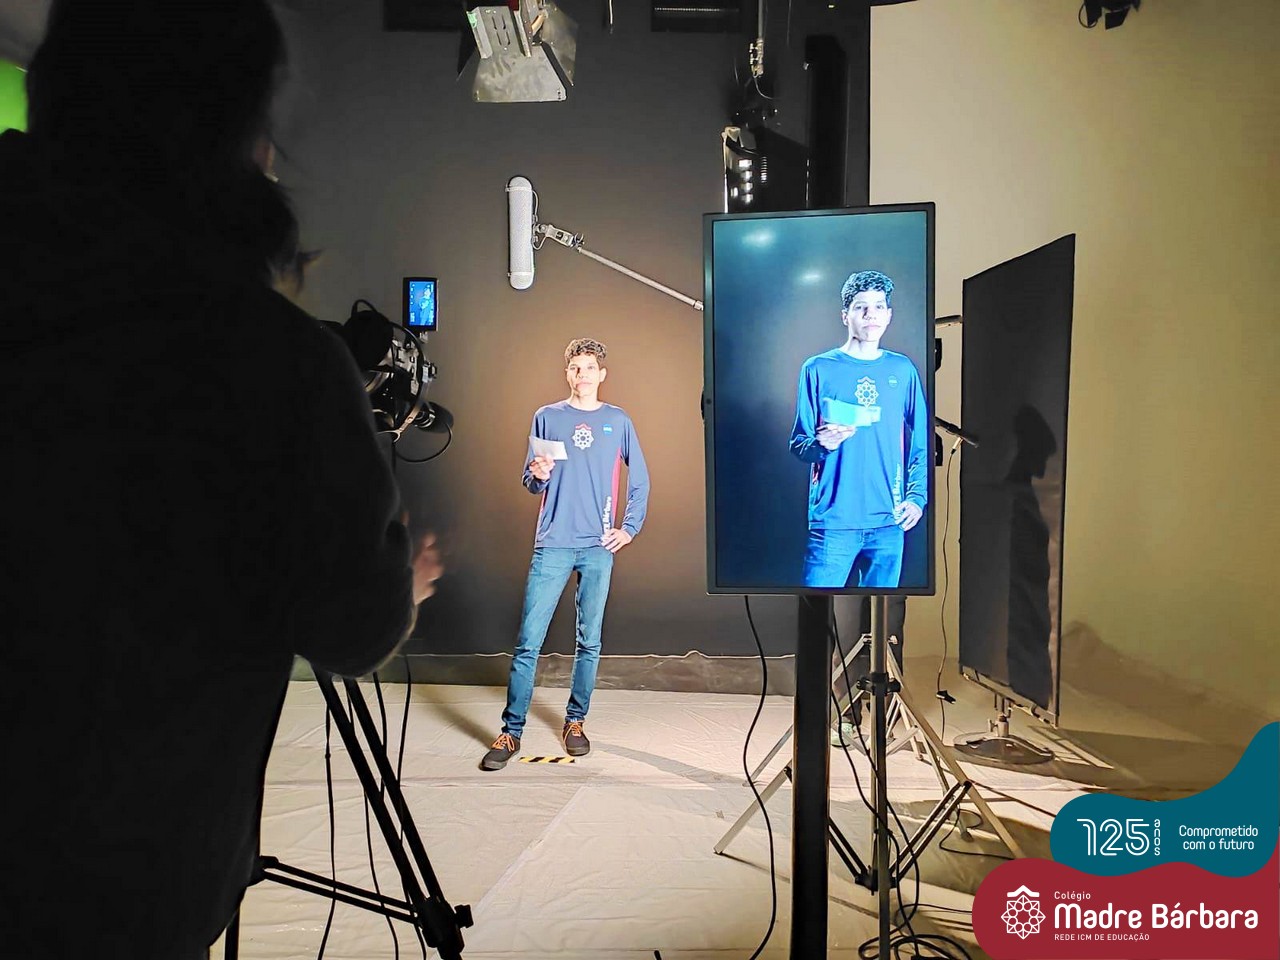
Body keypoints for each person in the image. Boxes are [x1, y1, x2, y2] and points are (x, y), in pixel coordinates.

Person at [0, 2, 440, 957]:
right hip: (126, 886)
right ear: (240, 134)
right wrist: (400, 583)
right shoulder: (273, 362)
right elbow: (353, 626)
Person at [481, 338, 650, 770]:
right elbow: (531, 481)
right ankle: (511, 731)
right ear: (567, 373)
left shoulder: (618, 420)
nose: (582, 374)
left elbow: (640, 480)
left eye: (589, 367)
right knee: (528, 642)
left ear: (602, 374)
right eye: (575, 367)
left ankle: (575, 722)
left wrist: (629, 528)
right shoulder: (547, 417)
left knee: (589, 641)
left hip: (598, 545)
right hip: (553, 542)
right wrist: (537, 474)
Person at [789, 269, 929, 589]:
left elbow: (922, 440)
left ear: (889, 315)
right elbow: (798, 443)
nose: (870, 315)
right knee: (816, 612)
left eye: (878, 306)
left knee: (883, 615)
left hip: (890, 521)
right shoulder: (817, 368)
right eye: (860, 307)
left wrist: (917, 497)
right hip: (833, 523)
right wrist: (821, 444)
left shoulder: (902, 369)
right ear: (845, 315)